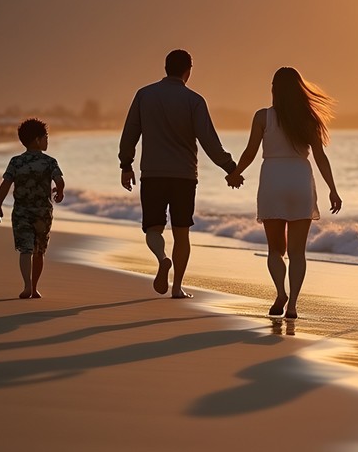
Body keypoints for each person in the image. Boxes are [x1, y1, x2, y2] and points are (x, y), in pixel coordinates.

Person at [119, 49, 239, 299]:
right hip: (184, 176)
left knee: (153, 228)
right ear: (188, 70)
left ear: (165, 68)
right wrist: (230, 168)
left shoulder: (144, 95)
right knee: (182, 232)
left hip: (152, 174)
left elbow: (130, 133)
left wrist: (126, 165)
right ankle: (177, 288)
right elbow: (209, 140)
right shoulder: (194, 100)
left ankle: (162, 259)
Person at [226, 67, 342, 319]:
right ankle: (293, 306)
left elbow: (250, 152)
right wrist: (333, 189)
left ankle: (280, 293)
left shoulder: (262, 117)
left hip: (272, 181)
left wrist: (235, 173)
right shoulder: (309, 119)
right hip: (300, 180)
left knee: (275, 249)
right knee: (298, 252)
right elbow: (321, 158)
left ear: (274, 89)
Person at [0, 119, 65, 299]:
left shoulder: (16, 162)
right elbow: (59, 181)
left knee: (25, 249)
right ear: (37, 140)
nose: (48, 140)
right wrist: (60, 192)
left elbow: (5, 184)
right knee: (39, 251)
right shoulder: (49, 162)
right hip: (43, 213)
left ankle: (26, 285)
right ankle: (34, 288)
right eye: (45, 137)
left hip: (21, 212)